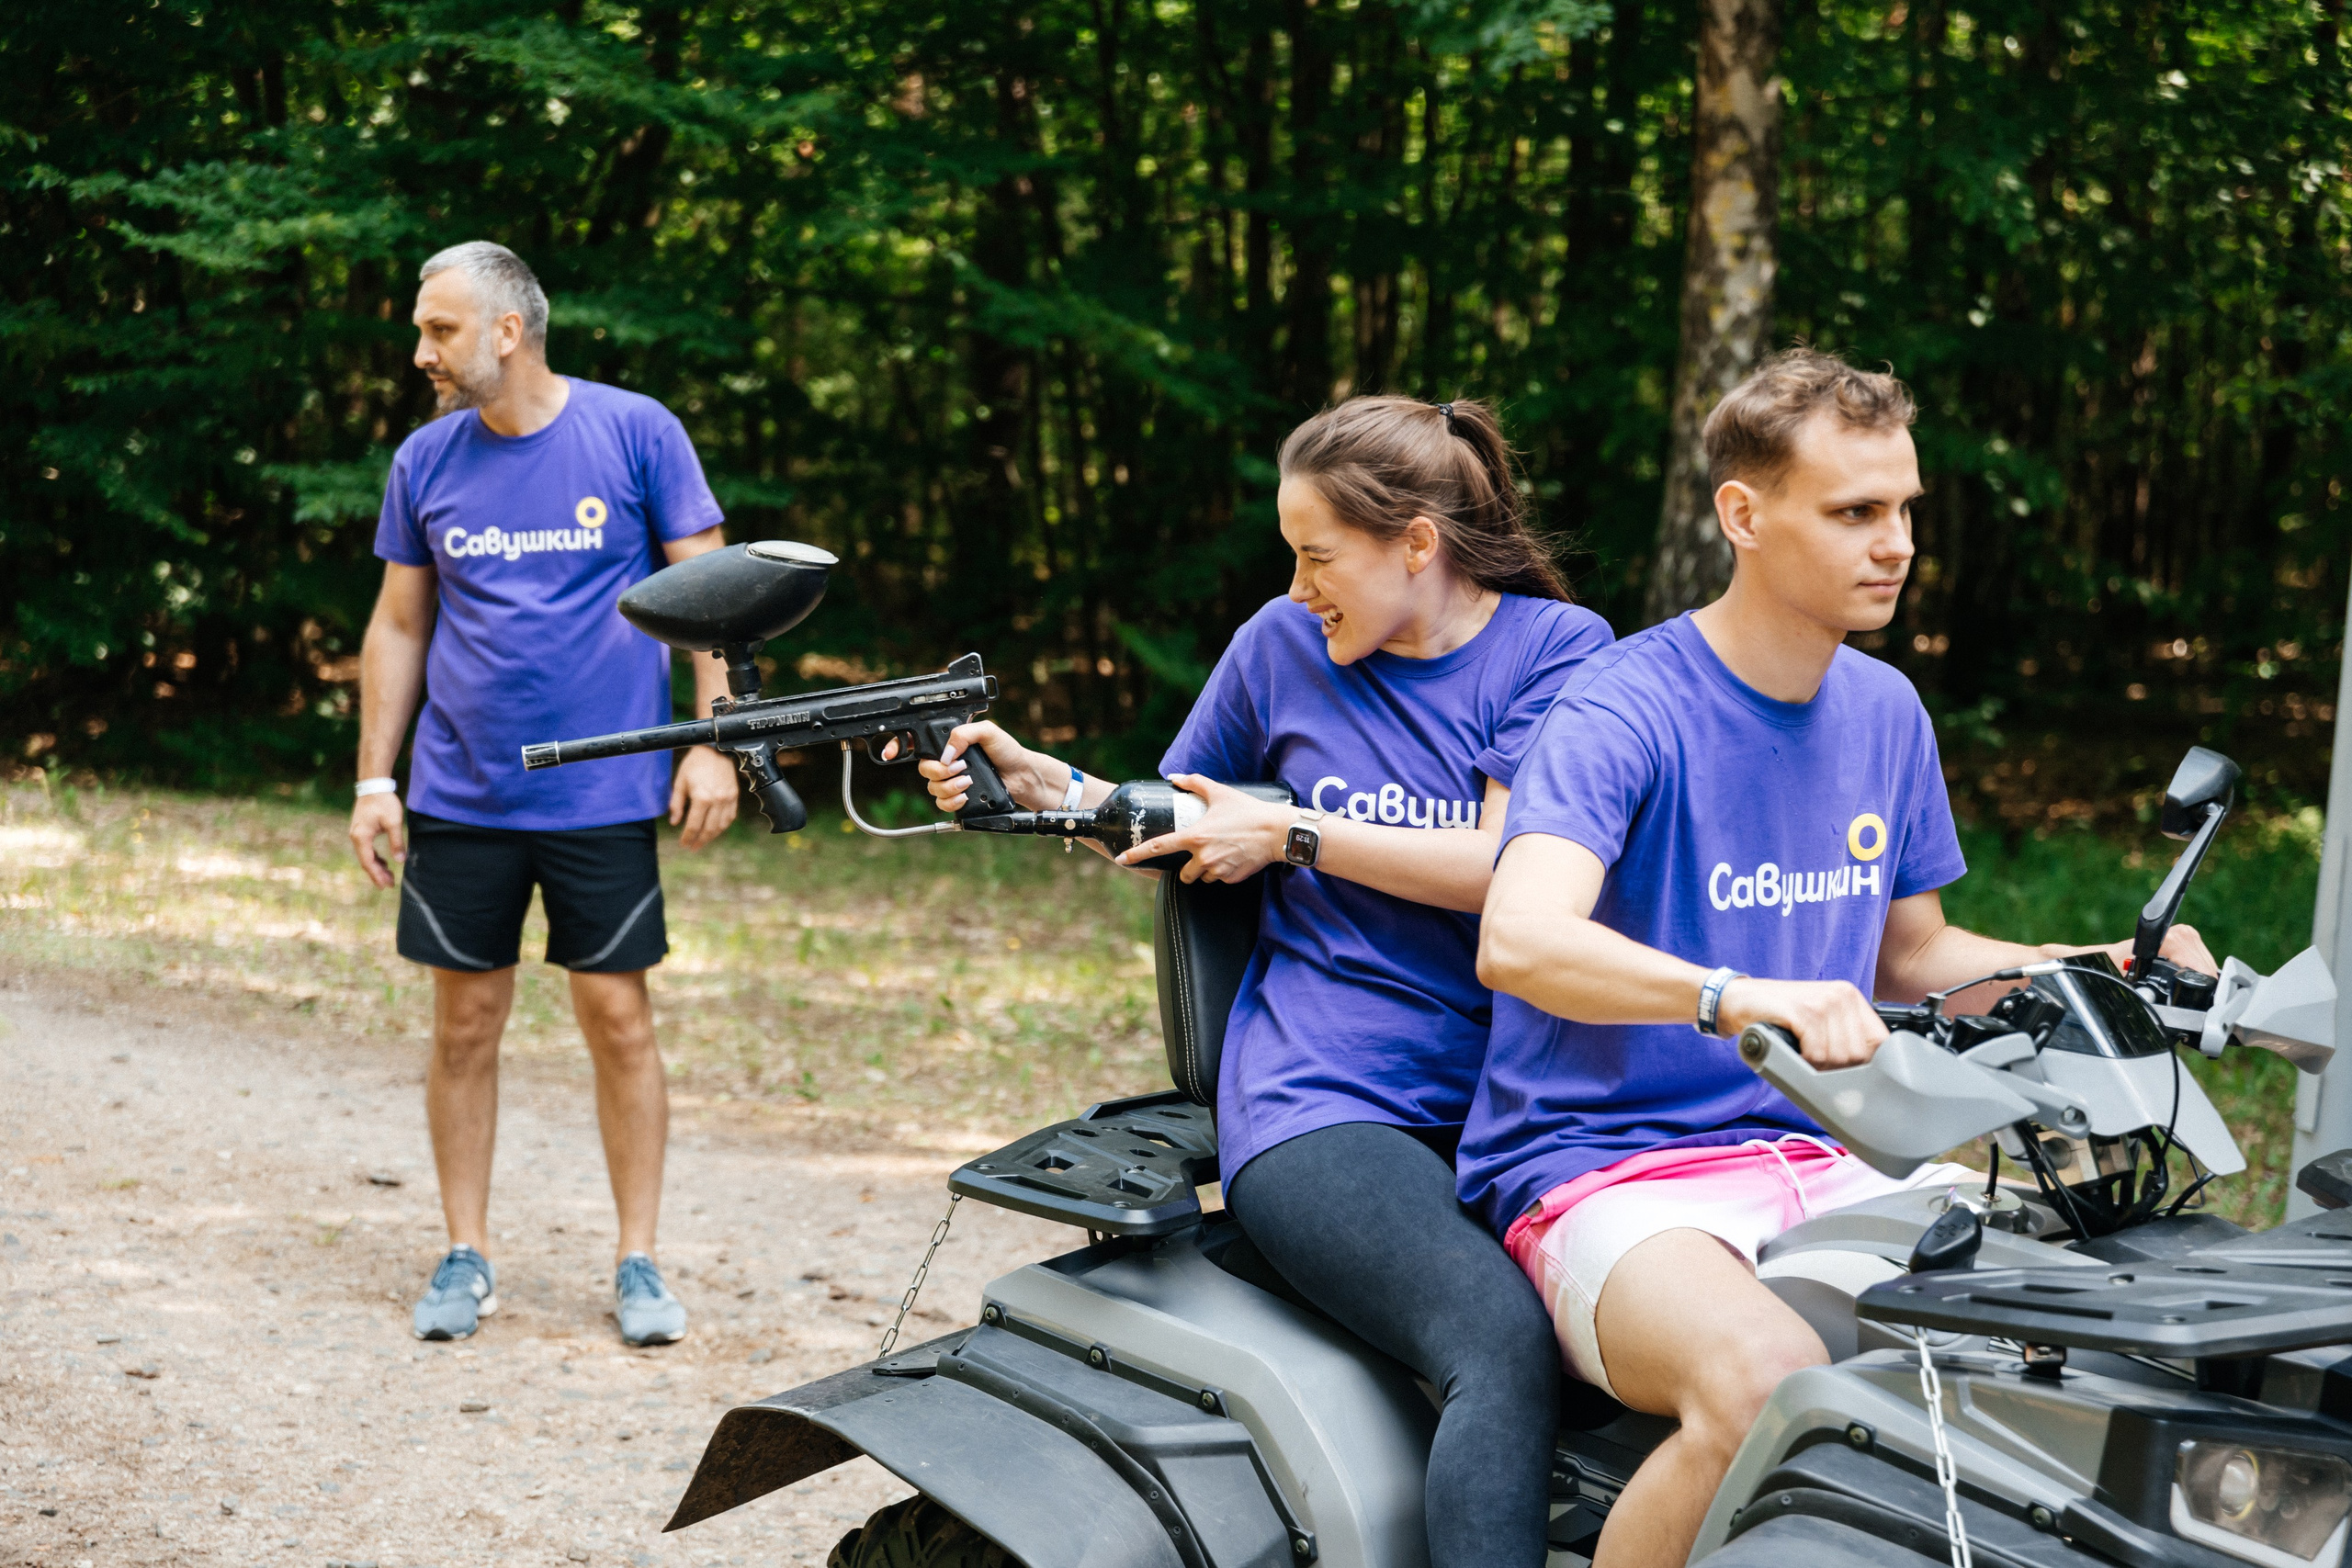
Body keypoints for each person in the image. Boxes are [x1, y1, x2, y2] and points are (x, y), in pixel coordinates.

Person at [1459, 348, 2216, 1568]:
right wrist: (1734, 993)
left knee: (2082, 1336)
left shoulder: (1884, 712)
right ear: (1743, 516)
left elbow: (1916, 952)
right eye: (1855, 510)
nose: (1896, 541)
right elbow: (1521, 938)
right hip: (1608, 1167)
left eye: (1905, 507)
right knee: (1764, 1375)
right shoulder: (1620, 706)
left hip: (1820, 1151)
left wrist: (2107, 962)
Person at [910, 398, 1610, 1568]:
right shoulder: (1278, 649)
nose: (1296, 587)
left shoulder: (1557, 651)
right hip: (1325, 1101)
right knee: (1499, 1343)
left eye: (1318, 555)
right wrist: (1044, 784)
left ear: (1417, 546)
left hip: (1523, 1096)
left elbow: (1506, 866)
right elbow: (1187, 818)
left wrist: (1292, 830)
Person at [348, 241, 741, 1347]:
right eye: (424, 329)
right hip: (462, 792)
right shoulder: (425, 461)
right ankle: (465, 1251)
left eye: (440, 330)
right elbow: (400, 624)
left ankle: (638, 1260)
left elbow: (710, 592)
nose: (420, 350)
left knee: (617, 1019)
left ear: (508, 332)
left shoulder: (634, 432)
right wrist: (377, 777)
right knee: (463, 1023)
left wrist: (711, 745)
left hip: (606, 794)